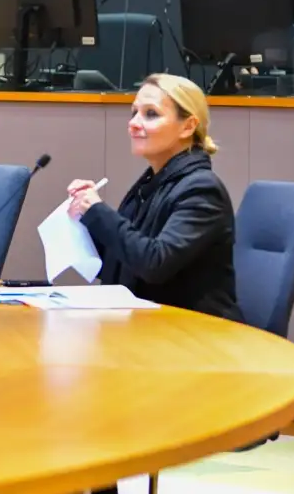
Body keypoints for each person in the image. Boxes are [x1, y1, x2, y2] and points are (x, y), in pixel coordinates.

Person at [70, 73, 243, 494]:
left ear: (188, 126)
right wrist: (83, 218)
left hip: (189, 341)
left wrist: (99, 214)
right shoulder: (154, 181)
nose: (135, 122)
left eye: (150, 114)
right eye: (134, 112)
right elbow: (125, 257)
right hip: (149, 330)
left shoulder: (200, 189)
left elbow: (154, 263)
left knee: (70, 388)